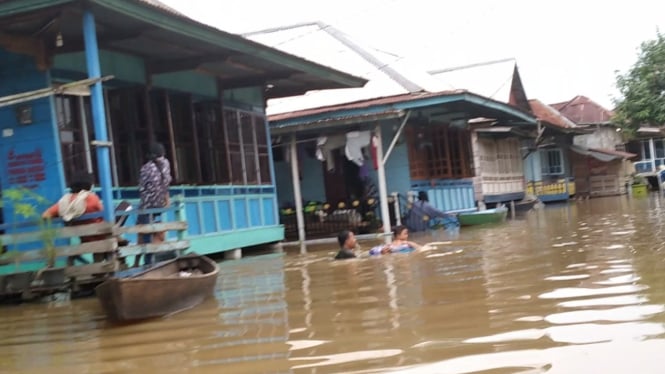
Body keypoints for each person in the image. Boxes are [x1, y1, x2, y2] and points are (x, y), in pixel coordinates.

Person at [42, 172, 106, 265]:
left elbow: (45, 215)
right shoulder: (92, 199)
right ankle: (100, 268)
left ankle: (98, 269)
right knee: (111, 237)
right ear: (89, 185)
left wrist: (63, 216)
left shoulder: (65, 201)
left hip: (84, 238)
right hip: (101, 237)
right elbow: (104, 214)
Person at [134, 142, 172, 266]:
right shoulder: (166, 164)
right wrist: (166, 199)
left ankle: (145, 261)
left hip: (147, 205)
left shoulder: (146, 168)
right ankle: (147, 259)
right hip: (160, 204)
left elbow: (142, 188)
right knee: (150, 229)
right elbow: (166, 184)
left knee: (143, 231)